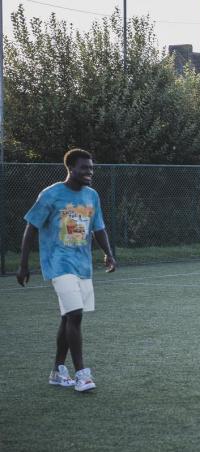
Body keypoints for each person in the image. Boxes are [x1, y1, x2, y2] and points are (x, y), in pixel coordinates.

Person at [17, 148, 117, 392]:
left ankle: (58, 371)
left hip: (82, 265)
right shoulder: (51, 195)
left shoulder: (92, 195)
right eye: (84, 168)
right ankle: (82, 374)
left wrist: (108, 253)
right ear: (71, 168)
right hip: (57, 263)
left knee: (68, 316)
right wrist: (23, 264)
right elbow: (31, 228)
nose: (89, 172)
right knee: (76, 314)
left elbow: (98, 228)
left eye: (91, 168)